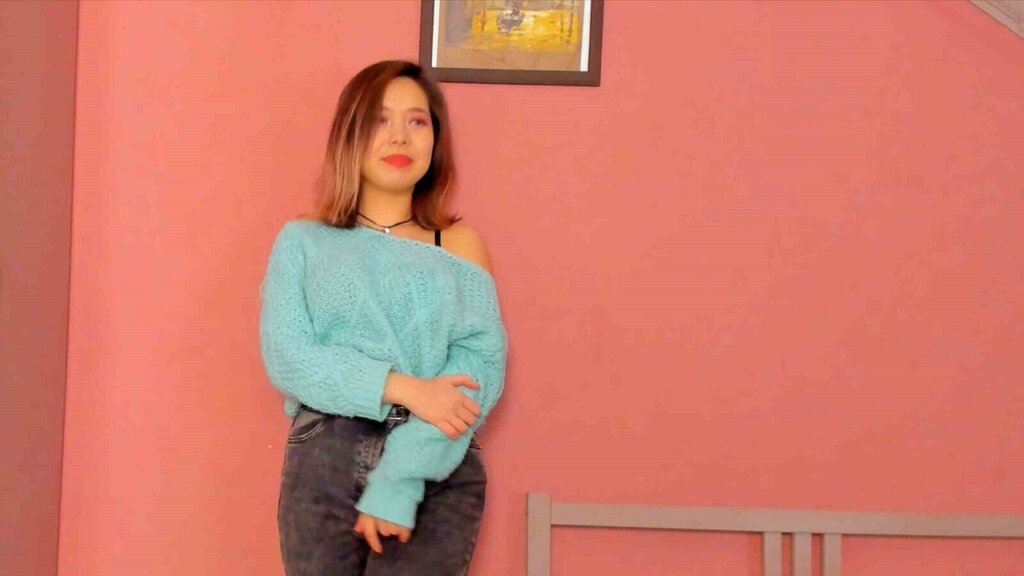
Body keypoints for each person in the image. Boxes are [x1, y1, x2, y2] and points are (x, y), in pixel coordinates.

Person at [259, 60, 508, 575]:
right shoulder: (303, 240)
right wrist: (404, 387)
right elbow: (289, 357)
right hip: (324, 459)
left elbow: (479, 368)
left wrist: (401, 477)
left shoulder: (459, 244)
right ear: (350, 134)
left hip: (434, 463)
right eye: (380, 119)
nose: (400, 136)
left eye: (417, 121)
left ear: (435, 139)